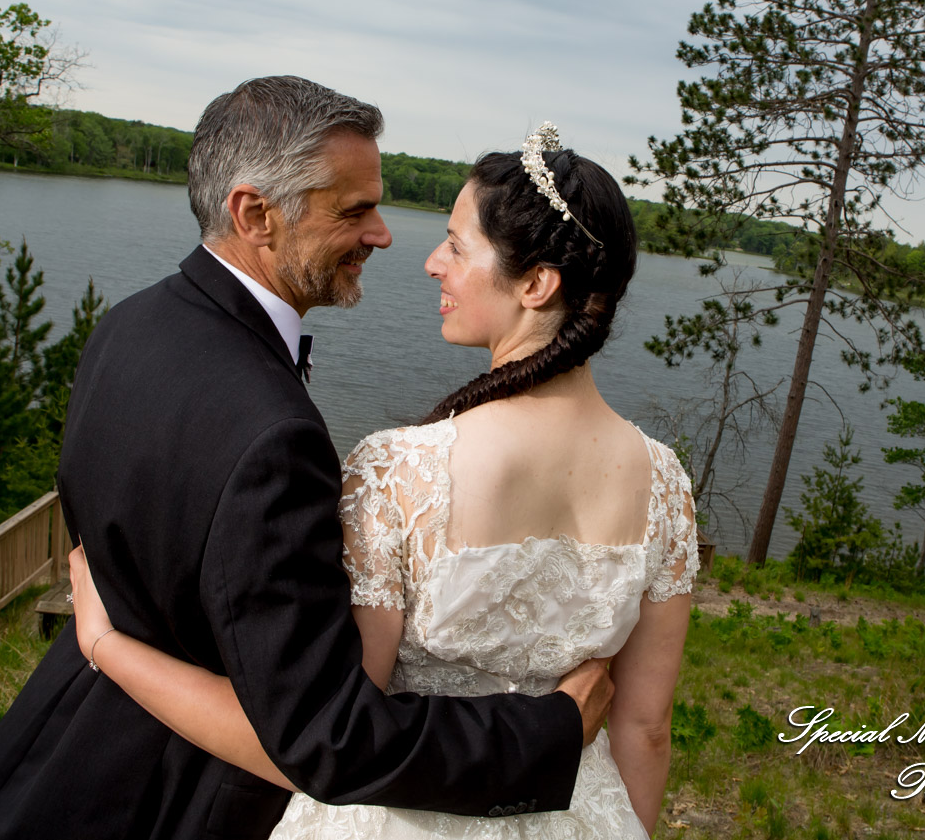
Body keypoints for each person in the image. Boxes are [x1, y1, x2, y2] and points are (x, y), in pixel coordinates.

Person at [0, 79, 613, 840]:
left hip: (49, 744)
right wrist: (545, 734)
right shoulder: (274, 437)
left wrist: (104, 645)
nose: (382, 234)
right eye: (353, 210)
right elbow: (329, 737)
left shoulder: (132, 322)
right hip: (168, 793)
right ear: (256, 214)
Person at [65, 122, 699, 839]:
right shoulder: (664, 483)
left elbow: (320, 741)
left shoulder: (402, 471)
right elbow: (647, 728)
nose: (431, 262)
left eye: (457, 246)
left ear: (536, 284)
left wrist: (108, 647)